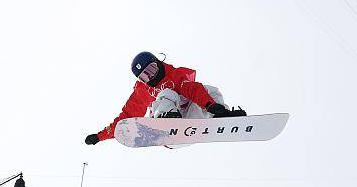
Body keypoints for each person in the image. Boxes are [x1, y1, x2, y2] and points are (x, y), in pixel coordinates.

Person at [85, 51, 246, 145]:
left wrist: (211, 105)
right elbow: (126, 116)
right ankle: (167, 119)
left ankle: (219, 116)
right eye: (145, 76)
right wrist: (99, 137)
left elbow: (194, 90)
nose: (151, 76)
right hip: (167, 130)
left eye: (152, 69)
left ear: (158, 62)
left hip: (189, 120)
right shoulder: (144, 91)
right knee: (165, 93)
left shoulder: (175, 76)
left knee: (210, 91)